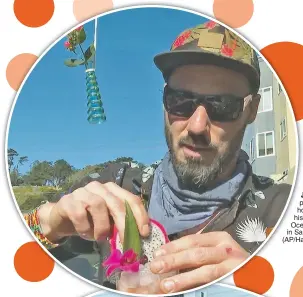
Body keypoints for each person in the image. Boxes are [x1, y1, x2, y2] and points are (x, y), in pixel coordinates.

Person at [23, 20, 291, 293]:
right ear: (165, 100)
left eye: (222, 106)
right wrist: (49, 222)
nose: (197, 126)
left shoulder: (284, 209)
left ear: (252, 110)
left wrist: (261, 281)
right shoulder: (114, 186)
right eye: (180, 101)